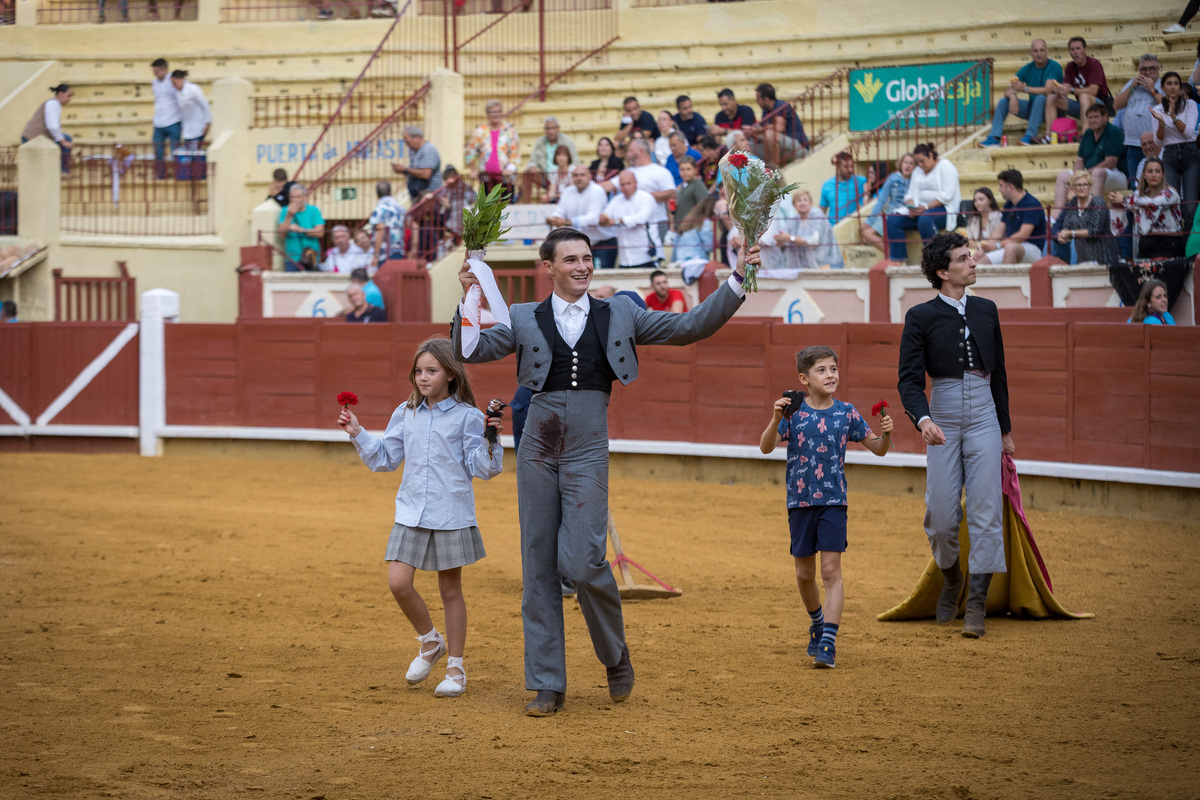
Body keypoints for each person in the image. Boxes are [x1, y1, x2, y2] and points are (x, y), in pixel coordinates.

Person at [451, 226, 755, 717]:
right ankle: (546, 682)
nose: (582, 266)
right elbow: (470, 351)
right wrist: (469, 290)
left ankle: (614, 654)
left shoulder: (621, 312)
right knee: (538, 567)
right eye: (570, 259)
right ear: (547, 267)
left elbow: (691, 326)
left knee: (585, 560)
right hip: (538, 447)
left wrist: (740, 276)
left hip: (588, 447)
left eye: (587, 258)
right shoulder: (524, 316)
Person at [337, 337, 502, 697]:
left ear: (451, 375)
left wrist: (491, 438)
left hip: (450, 511)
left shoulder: (468, 416)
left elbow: (483, 469)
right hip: (411, 510)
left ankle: (456, 667)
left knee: (450, 590)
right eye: (418, 371)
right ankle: (430, 641)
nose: (423, 377)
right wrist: (357, 433)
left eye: (432, 370)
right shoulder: (405, 412)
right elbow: (385, 459)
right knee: (398, 582)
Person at [898, 231, 1014, 639]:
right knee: (942, 517)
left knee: (985, 511)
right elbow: (909, 381)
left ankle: (977, 605)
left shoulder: (987, 310)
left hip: (984, 414)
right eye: (965, 259)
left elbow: (997, 373)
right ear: (944, 272)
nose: (974, 262)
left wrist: (1006, 428)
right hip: (942, 414)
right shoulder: (921, 317)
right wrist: (923, 419)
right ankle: (952, 579)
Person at [759, 345, 892, 669]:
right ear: (804, 378)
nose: (830, 374)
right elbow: (765, 447)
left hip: (834, 501)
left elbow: (878, 449)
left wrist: (886, 435)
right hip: (800, 503)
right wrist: (776, 418)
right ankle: (817, 623)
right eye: (822, 370)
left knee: (831, 571)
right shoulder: (793, 413)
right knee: (804, 575)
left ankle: (828, 642)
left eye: (833, 368)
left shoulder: (846, 412)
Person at [885, 143, 961, 263]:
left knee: (925, 219)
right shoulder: (918, 171)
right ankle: (898, 260)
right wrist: (911, 206)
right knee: (893, 220)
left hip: (943, 209)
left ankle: (934, 259)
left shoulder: (945, 166)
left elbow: (947, 195)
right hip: (920, 210)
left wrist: (926, 207)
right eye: (917, 162)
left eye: (922, 161)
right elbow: (909, 194)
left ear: (931, 155)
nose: (920, 165)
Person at [980, 39, 1064, 147]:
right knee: (1004, 101)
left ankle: (1030, 136)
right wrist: (1012, 96)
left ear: (1047, 51)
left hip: (1051, 110)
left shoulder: (1054, 66)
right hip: (1033, 108)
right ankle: (994, 138)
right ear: (1031, 53)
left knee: (1041, 98)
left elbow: (1047, 90)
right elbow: (1009, 89)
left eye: (1042, 50)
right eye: (1035, 51)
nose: (1039, 54)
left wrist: (1024, 89)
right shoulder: (1027, 68)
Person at [1052, 103, 1126, 217]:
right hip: (1091, 174)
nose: (1092, 120)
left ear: (1105, 117)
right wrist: (1077, 177)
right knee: (1063, 176)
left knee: (1097, 173)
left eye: (1096, 117)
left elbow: (1110, 163)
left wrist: (1085, 174)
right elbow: (1080, 160)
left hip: (1117, 175)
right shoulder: (1088, 133)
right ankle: (1056, 219)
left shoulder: (1114, 132)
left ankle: (1093, 217)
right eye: (1090, 118)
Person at [1151, 71, 1200, 229]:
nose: (1173, 87)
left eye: (1176, 84)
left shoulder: (1190, 105)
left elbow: (1189, 132)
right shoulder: (1157, 109)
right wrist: (1162, 123)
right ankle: (1176, 247)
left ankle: (1190, 249)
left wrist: (1173, 117)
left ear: (1180, 87)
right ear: (1163, 87)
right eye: (1169, 83)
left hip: (1190, 154)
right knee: (1171, 204)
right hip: (1170, 155)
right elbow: (1158, 140)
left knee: (1190, 207)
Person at [1109, 157, 1183, 259]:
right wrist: (1115, 200)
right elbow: (1127, 204)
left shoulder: (1171, 192)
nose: (1153, 175)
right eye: (1150, 171)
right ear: (1144, 175)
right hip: (1146, 245)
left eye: (1157, 171)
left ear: (1163, 175)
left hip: (1169, 243)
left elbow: (1154, 203)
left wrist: (1124, 199)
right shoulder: (1139, 195)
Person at [546, 165, 616, 270]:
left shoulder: (596, 190)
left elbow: (594, 218)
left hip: (602, 243)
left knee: (599, 278)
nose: (579, 178)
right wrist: (553, 218)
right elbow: (560, 211)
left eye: (582, 175)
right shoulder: (568, 191)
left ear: (590, 176)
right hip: (580, 246)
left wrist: (566, 222)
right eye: (575, 175)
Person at [612, 140, 675, 252]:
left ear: (640, 151)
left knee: (655, 253)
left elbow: (671, 193)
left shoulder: (660, 171)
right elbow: (610, 184)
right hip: (631, 221)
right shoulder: (629, 172)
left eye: (631, 150)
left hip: (657, 219)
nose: (627, 153)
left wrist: (642, 196)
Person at [981, 169, 1047, 264]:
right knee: (979, 262)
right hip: (1010, 245)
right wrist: (985, 248)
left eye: (1001, 185)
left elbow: (1023, 235)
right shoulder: (1008, 204)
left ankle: (1006, 279)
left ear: (1010, 187)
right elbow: (999, 232)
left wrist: (997, 246)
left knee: (1011, 248)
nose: (999, 189)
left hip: (1033, 249)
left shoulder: (1032, 204)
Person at [1115, 55, 1165, 178]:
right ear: (1139, 70)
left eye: (1152, 68)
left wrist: (1153, 90)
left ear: (1158, 69)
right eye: (1144, 69)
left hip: (1154, 145)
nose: (1147, 72)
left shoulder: (1163, 84)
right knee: (1135, 183)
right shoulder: (1132, 84)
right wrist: (1132, 87)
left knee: (1155, 180)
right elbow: (1116, 104)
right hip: (1132, 144)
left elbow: (1169, 107)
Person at [1054, 171, 1120, 265]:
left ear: (1090, 186)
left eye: (1085, 184)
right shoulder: (1073, 203)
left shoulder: (1098, 202)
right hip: (1083, 257)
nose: (1082, 188)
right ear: (1072, 188)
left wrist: (1071, 233)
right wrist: (1063, 236)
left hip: (1102, 257)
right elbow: (1067, 226)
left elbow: (1094, 230)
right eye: (1078, 185)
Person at [598, 170, 659, 269]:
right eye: (622, 185)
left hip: (645, 256)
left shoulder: (646, 197)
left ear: (636, 183)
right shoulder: (616, 200)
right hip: (624, 258)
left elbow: (641, 218)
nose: (626, 187)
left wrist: (617, 221)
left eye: (628, 184)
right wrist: (603, 219)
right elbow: (606, 215)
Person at [1050, 37, 1112, 122]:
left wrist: (1070, 90)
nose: (1075, 52)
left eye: (1078, 48)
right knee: (1051, 98)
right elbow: (1065, 88)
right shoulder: (1070, 67)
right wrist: (1059, 90)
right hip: (1082, 106)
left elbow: (1093, 91)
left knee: (1084, 96)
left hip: (1099, 106)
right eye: (1072, 49)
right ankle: (1050, 134)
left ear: (1085, 49)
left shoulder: (1094, 64)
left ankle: (1085, 134)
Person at [861, 154, 915, 253]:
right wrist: (869, 220)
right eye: (905, 162)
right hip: (890, 211)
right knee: (866, 232)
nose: (907, 166)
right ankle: (893, 256)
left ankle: (894, 257)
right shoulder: (893, 178)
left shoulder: (916, 179)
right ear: (901, 164)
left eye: (911, 163)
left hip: (907, 213)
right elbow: (881, 200)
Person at [465, 99, 519, 196]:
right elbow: (469, 152)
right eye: (492, 112)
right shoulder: (480, 132)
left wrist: (510, 169)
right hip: (486, 179)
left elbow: (515, 153)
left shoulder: (509, 131)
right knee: (488, 208)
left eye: (498, 111)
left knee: (506, 207)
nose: (496, 114)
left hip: (506, 179)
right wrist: (473, 169)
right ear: (487, 114)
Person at [747, 83, 808, 168]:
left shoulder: (781, 106)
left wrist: (759, 130)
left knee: (769, 134)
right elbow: (763, 132)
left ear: (766, 99)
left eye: (758, 100)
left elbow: (779, 128)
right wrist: (752, 132)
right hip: (782, 147)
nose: (757, 102)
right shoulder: (766, 111)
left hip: (798, 147)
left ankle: (773, 168)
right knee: (746, 145)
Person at [781, 190, 844, 270]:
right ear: (794, 205)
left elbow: (814, 240)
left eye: (805, 200)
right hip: (805, 268)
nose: (802, 203)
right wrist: (780, 239)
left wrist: (790, 238)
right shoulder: (794, 220)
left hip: (827, 264)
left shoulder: (817, 215)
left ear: (810, 203)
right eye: (799, 201)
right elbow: (785, 239)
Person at [20, 84, 73, 173]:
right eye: (68, 96)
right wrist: (63, 142)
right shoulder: (53, 104)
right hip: (32, 138)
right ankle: (63, 172)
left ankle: (60, 171)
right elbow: (52, 126)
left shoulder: (55, 104)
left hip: (39, 138)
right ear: (60, 94)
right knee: (66, 139)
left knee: (65, 138)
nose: (69, 99)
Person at [276, 184, 325, 272]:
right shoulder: (285, 211)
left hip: (310, 257)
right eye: (292, 197)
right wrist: (289, 215)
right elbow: (281, 234)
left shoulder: (314, 210)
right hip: (291, 259)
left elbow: (320, 232)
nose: (295, 200)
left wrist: (300, 230)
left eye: (298, 197)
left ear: (305, 197)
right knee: (292, 285)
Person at [150, 58, 182, 180]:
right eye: (154, 71)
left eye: (157, 71)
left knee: (175, 152)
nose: (155, 74)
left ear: (165, 70)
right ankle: (161, 176)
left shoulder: (173, 81)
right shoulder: (154, 83)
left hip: (173, 121)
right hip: (158, 123)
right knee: (158, 153)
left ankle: (178, 175)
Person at [392, 127, 442, 202]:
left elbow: (426, 174)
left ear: (417, 137)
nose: (407, 145)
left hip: (429, 198)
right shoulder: (415, 152)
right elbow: (414, 171)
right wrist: (404, 171)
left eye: (408, 142)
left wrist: (405, 170)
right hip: (418, 198)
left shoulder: (428, 150)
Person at [170, 70, 211, 161]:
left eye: (174, 83)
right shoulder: (177, 92)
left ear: (180, 80)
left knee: (196, 155)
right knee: (189, 156)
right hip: (187, 129)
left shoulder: (193, 89)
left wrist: (207, 123)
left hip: (198, 127)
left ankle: (199, 174)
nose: (173, 86)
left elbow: (205, 105)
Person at [819, 151, 867, 226]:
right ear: (838, 166)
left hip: (853, 226)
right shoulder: (827, 185)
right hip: (832, 227)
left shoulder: (861, 182)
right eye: (846, 167)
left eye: (852, 166)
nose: (850, 170)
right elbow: (822, 210)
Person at [368, 180, 406, 267]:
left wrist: (376, 255)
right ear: (390, 192)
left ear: (377, 194)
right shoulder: (400, 208)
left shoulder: (379, 210)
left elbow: (380, 231)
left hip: (385, 253)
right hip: (399, 250)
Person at [528, 117, 578, 182]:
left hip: (564, 176)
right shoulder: (540, 142)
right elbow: (532, 160)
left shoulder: (567, 141)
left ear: (558, 128)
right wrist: (532, 167)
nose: (551, 131)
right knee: (527, 173)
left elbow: (575, 161)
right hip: (545, 177)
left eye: (553, 128)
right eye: (548, 128)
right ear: (544, 130)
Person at [671, 195, 716, 265]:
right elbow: (708, 247)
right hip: (697, 261)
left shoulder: (686, 223)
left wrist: (673, 262)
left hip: (680, 261)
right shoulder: (705, 222)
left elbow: (676, 245)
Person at [964, 188, 1004, 257]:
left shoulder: (998, 217)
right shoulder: (973, 219)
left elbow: (997, 241)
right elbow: (969, 240)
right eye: (975, 200)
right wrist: (979, 246)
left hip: (995, 250)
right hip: (977, 251)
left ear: (990, 201)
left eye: (981, 199)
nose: (977, 203)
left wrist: (977, 245)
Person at [673, 157, 707, 226]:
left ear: (695, 170)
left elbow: (703, 208)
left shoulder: (698, 185)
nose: (685, 172)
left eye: (688, 169)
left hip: (692, 229)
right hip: (680, 229)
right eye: (682, 169)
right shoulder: (682, 186)